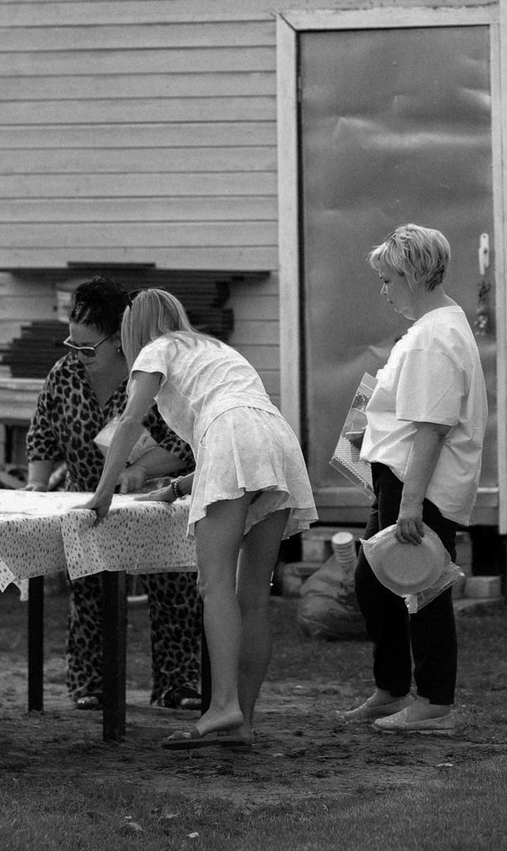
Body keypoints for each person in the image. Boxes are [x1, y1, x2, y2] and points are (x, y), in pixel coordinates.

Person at [81, 289, 317, 750]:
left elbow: (130, 422)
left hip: (234, 437)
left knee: (214, 586)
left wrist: (102, 493)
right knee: (253, 595)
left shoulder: (156, 348)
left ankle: (223, 704)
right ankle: (242, 722)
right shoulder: (213, 348)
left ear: (135, 327)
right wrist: (176, 488)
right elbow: (237, 439)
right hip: (278, 441)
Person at [24, 277, 204, 711]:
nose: (77, 355)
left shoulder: (155, 375)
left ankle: (176, 684)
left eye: (88, 348)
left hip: (158, 500)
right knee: (88, 592)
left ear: (120, 341)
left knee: (173, 588)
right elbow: (43, 435)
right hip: (89, 498)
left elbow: (188, 443)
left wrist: (142, 468)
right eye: (72, 344)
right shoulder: (64, 374)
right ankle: (92, 684)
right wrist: (36, 482)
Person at [342, 224, 488, 735]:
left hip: (417, 485)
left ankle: (433, 701)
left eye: (387, 280)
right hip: (399, 478)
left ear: (413, 275)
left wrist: (409, 504)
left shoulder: (434, 338)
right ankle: (392, 688)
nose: (383, 292)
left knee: (423, 586)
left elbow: (431, 427)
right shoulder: (432, 329)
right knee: (375, 581)